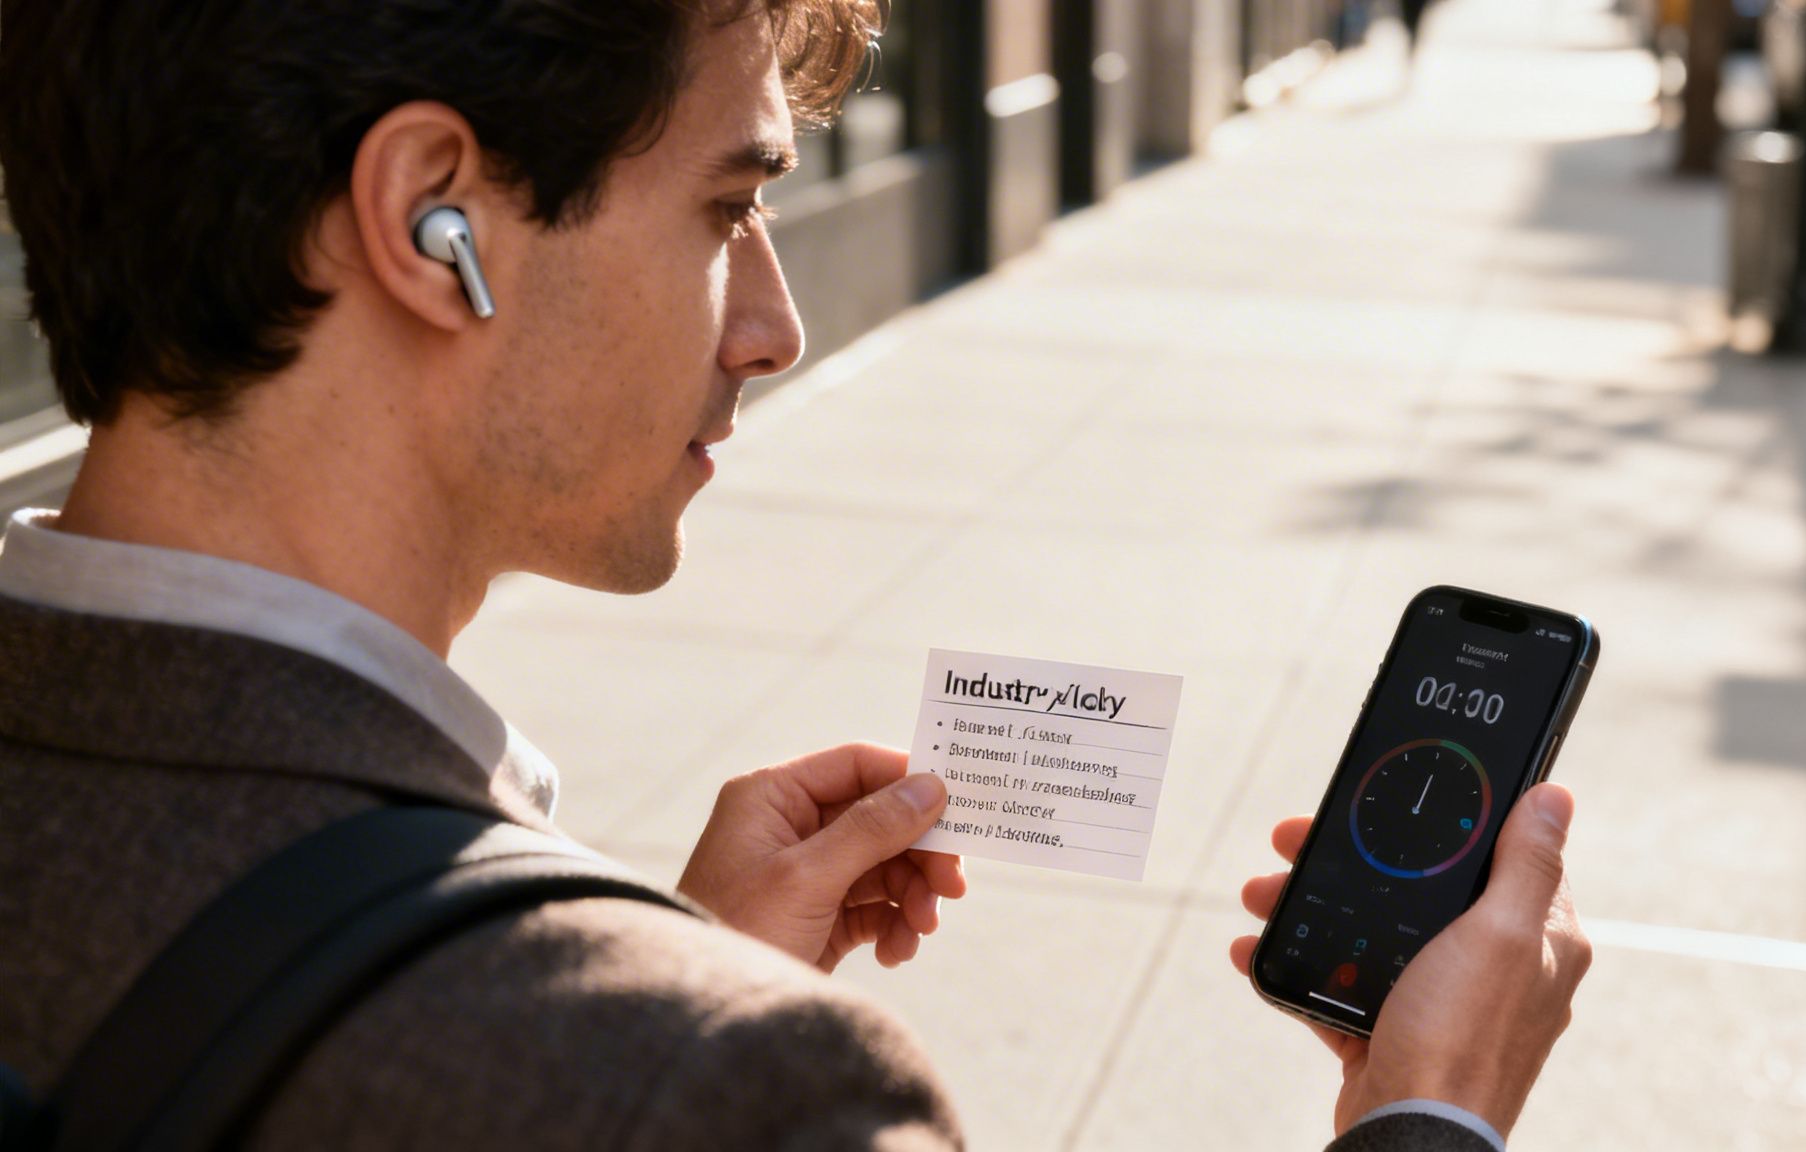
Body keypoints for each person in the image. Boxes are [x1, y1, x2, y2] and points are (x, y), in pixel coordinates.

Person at [0, 1, 1588, 1148]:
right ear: (433, 223)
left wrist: (666, 964)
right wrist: (1429, 1124)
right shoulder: (729, 1091)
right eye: (728, 207)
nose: (774, 324)